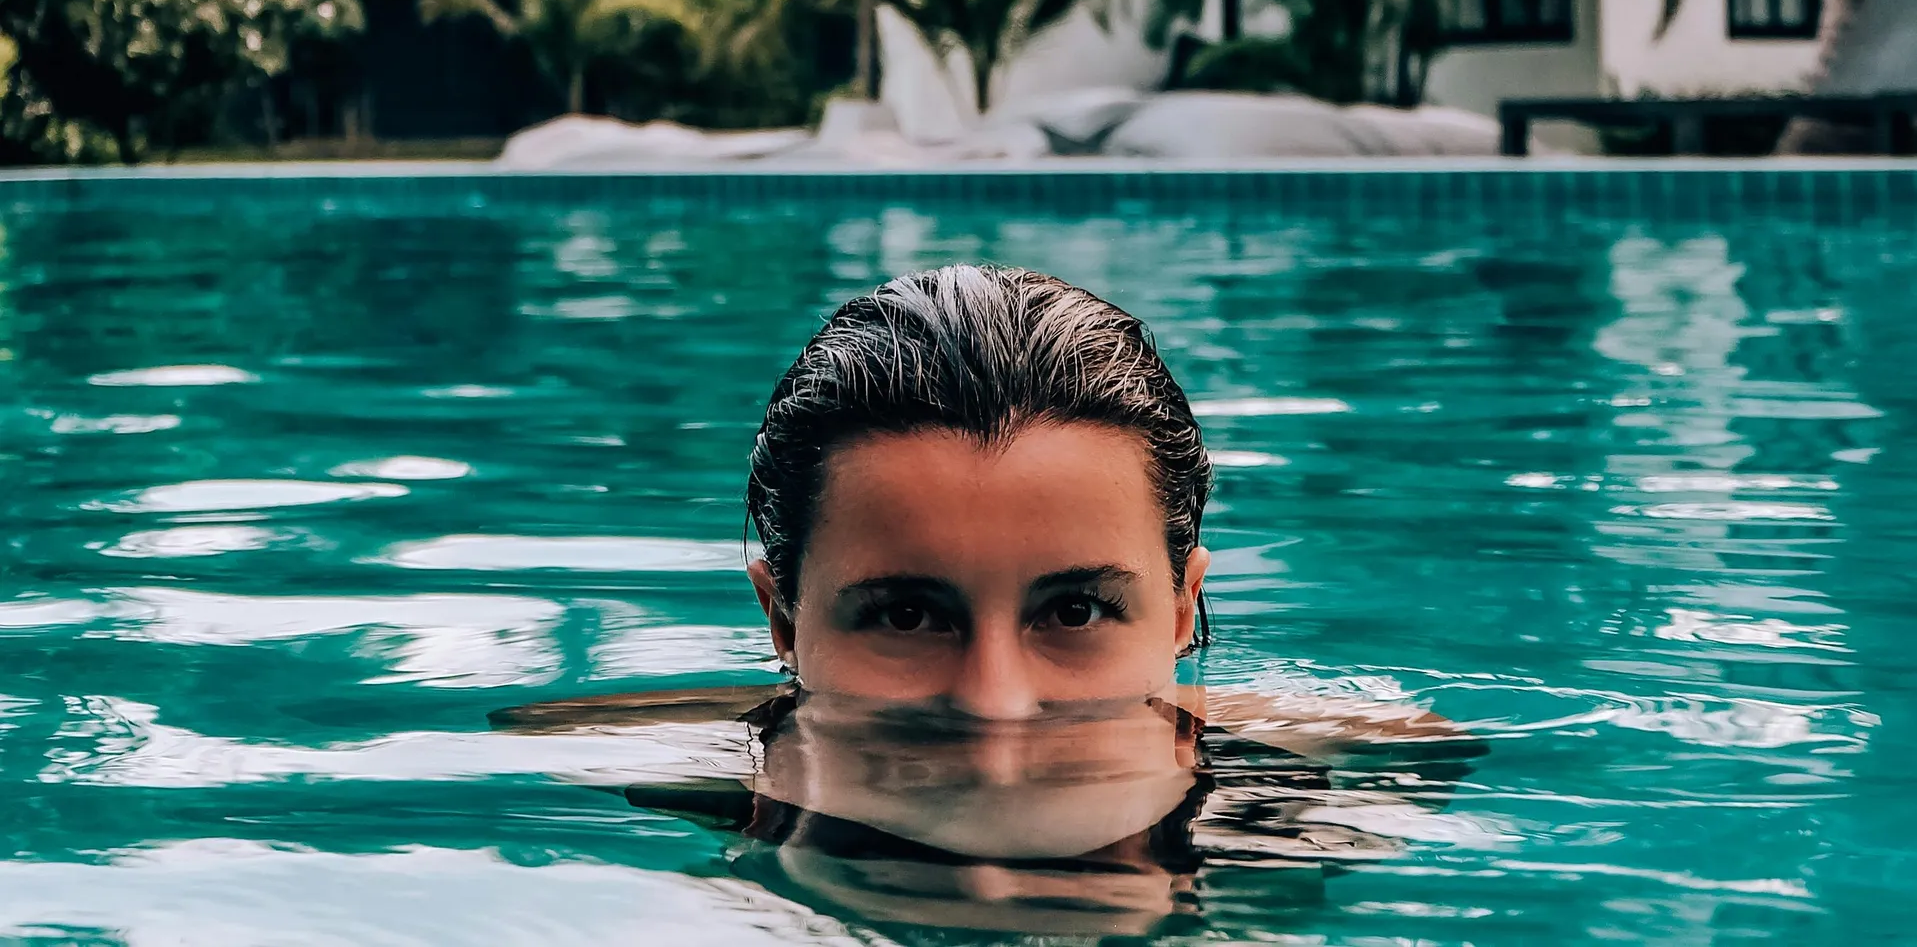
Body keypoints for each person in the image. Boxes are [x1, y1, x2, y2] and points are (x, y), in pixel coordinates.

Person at [495, 265, 1478, 932]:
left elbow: (1407, 738)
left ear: (1183, 608)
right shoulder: (640, 776)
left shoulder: (1302, 795)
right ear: (782, 620)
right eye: (908, 614)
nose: (995, 702)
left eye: (1076, 611)